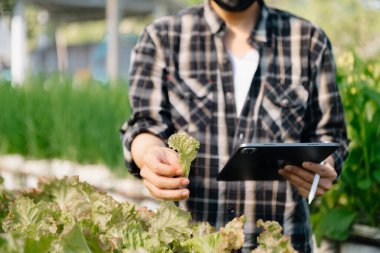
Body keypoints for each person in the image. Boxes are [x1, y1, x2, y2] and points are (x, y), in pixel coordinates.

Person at [120, 0, 349, 252]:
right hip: (190, 243)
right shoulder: (162, 38)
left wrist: (323, 167)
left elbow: (331, 133)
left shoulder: (308, 41)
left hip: (284, 242)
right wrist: (149, 156)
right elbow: (145, 124)